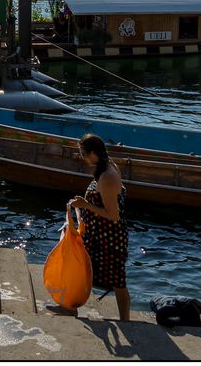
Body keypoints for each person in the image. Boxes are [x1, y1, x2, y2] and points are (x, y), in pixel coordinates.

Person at [68, 133, 131, 321]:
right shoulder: (106, 165)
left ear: (94, 153)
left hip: (109, 238)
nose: (83, 158)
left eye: (84, 154)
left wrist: (85, 205)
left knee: (118, 281)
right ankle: (70, 306)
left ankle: (125, 320)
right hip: (96, 235)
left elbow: (113, 215)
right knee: (80, 269)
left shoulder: (108, 176)